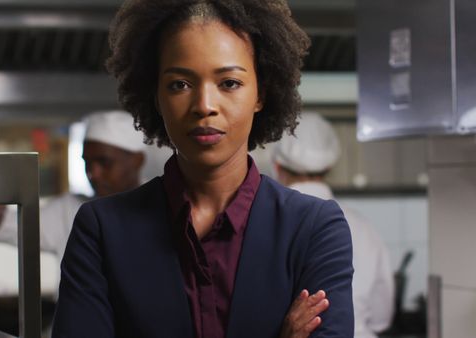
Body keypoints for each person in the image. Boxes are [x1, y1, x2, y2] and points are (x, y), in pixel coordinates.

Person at [53, 1, 354, 338]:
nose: (204, 106)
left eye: (229, 83)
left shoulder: (314, 228)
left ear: (261, 94)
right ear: (156, 97)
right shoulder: (101, 231)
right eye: (180, 84)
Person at [0, 110, 146, 271]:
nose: (93, 174)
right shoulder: (70, 210)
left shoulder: (163, 205)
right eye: (88, 162)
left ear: (137, 161)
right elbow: (8, 227)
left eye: (105, 163)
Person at [273, 112, 394, 338]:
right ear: (329, 169)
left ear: (277, 167)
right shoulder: (362, 226)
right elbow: (380, 317)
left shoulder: (266, 225)